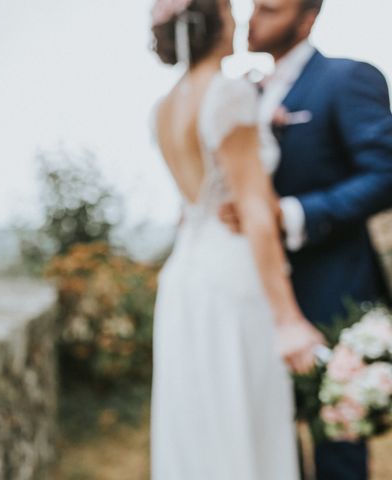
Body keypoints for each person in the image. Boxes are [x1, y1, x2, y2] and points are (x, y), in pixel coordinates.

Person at [149, 0, 324, 478]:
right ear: (211, 22)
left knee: (203, 420)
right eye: (229, 10)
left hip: (185, 277)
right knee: (248, 416)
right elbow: (253, 208)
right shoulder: (227, 92)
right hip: (233, 277)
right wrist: (288, 318)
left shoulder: (164, 106)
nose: (238, 19)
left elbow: (193, 206)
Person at [218, 1, 392, 478]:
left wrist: (295, 212)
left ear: (307, 18)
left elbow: (385, 174)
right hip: (254, 292)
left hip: (333, 288)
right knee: (269, 438)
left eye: (271, 9)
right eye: (254, 7)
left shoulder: (347, 78)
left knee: (337, 445)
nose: (254, 19)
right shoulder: (241, 96)